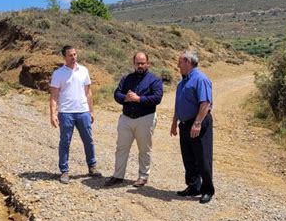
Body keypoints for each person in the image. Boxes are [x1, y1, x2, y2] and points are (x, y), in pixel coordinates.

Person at [104, 52, 163, 187]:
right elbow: (117, 94)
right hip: (126, 118)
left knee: (144, 149)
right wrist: (126, 97)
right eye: (138, 63)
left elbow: (157, 98)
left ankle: (143, 176)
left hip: (145, 119)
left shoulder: (155, 80)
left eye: (143, 63)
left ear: (148, 63)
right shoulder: (126, 79)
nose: (140, 65)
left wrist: (139, 99)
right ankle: (118, 176)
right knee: (121, 148)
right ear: (133, 64)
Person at [49, 45, 101, 184]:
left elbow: (88, 92)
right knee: (65, 142)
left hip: (83, 111)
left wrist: (91, 110)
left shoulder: (84, 70)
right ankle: (64, 171)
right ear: (64, 57)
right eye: (70, 55)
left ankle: (92, 167)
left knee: (88, 140)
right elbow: (54, 96)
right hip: (66, 113)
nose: (73, 57)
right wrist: (53, 114)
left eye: (75, 54)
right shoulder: (58, 74)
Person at [170, 49, 215, 204]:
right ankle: (194, 186)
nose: (177, 65)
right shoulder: (182, 82)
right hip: (184, 125)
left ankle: (207, 190)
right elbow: (178, 104)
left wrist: (197, 123)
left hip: (198, 123)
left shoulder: (200, 79)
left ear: (188, 62)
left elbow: (205, 103)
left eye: (179, 62)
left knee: (203, 157)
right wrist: (174, 123)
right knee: (188, 157)